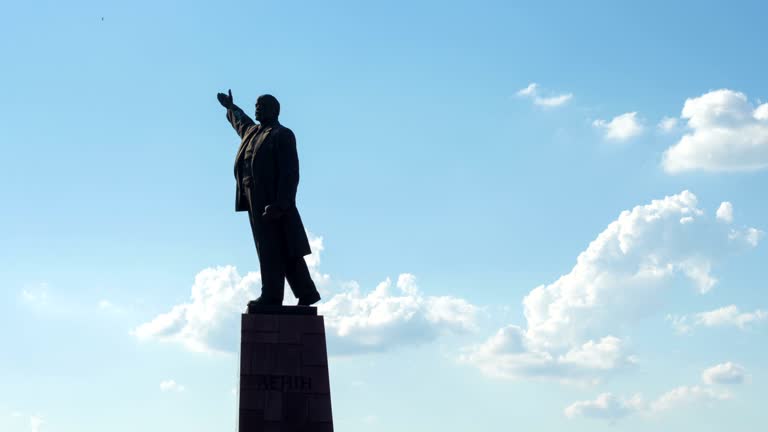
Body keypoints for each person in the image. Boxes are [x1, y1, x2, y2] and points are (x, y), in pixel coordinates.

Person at [217, 89, 321, 307]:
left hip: (273, 202)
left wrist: (281, 203)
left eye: (261, 105)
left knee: (273, 248)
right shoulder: (252, 133)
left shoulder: (282, 134)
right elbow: (241, 122)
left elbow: (290, 172)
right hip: (254, 199)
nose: (257, 108)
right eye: (256, 105)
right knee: (282, 247)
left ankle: (272, 296)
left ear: (274, 110)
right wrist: (231, 108)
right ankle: (307, 292)